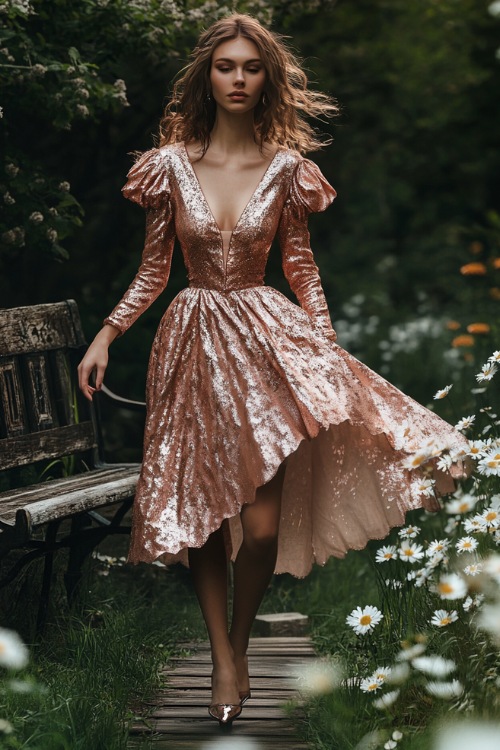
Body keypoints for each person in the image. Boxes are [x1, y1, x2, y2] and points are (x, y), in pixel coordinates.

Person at [78, 13, 470, 726]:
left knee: (257, 529)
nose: (236, 78)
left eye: (250, 67)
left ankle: (241, 637)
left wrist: (321, 344)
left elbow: (302, 268)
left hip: (267, 347)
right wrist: (106, 333)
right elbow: (154, 269)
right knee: (200, 516)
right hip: (192, 344)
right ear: (207, 74)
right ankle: (224, 662)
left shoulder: (290, 169)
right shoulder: (168, 165)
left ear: (267, 79)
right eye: (225, 65)